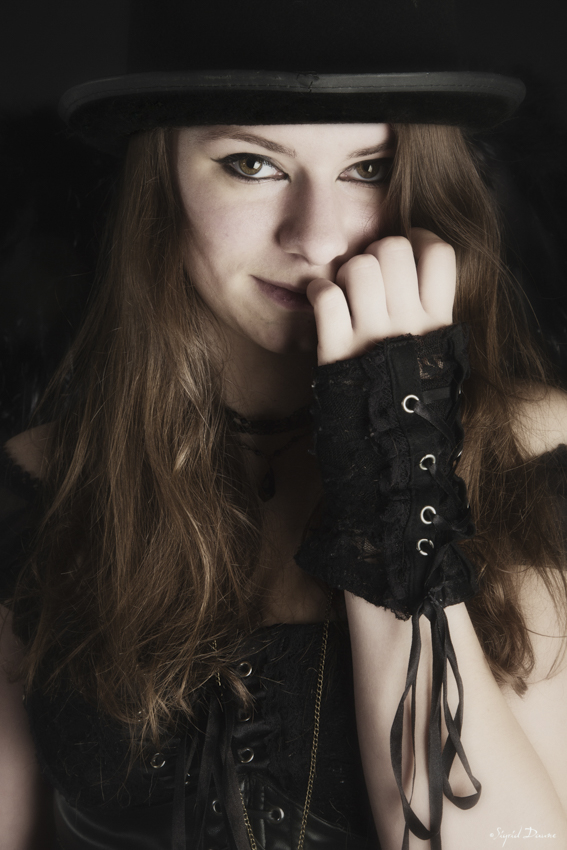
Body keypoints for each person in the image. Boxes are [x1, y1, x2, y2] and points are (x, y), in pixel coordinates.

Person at [2, 1, 567, 848]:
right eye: (251, 164)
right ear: (163, 181)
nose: (317, 237)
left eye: (368, 167)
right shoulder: (34, 490)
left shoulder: (538, 460)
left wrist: (394, 470)